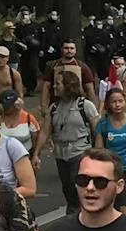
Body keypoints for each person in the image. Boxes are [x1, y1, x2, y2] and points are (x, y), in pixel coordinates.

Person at [42, 69, 100, 206]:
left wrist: (97, 154)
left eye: (58, 83)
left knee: (78, 187)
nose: (54, 86)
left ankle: (79, 213)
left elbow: (98, 131)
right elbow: (45, 131)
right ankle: (75, 212)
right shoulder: (54, 107)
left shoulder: (85, 106)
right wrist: (36, 154)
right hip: (61, 154)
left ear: (68, 85)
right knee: (67, 188)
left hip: (80, 152)